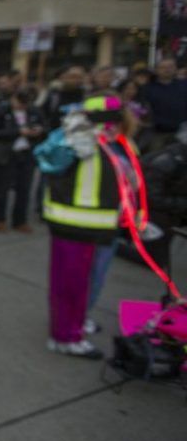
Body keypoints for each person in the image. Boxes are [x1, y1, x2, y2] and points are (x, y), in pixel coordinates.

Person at [38, 96, 143, 359]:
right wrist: (71, 136)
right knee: (69, 283)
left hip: (103, 225)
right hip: (74, 225)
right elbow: (47, 159)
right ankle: (65, 337)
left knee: (90, 281)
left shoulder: (117, 143)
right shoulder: (75, 138)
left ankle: (76, 322)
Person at [0, 89, 45, 233]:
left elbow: (45, 127)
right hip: (6, 154)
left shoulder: (34, 111)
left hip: (26, 154)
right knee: (2, 189)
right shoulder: (1, 110)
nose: (22, 106)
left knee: (24, 189)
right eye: (19, 102)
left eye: (25, 104)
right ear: (13, 99)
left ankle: (20, 220)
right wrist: (18, 131)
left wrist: (38, 130)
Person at [142, 122, 187, 304]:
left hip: (166, 209)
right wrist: (182, 205)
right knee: (153, 259)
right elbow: (152, 197)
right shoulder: (169, 161)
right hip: (153, 212)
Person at [142, 57, 187, 147]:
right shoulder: (148, 88)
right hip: (158, 133)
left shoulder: (184, 85)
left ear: (175, 68)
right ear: (157, 70)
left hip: (183, 132)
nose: (167, 70)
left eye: (170, 67)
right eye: (163, 67)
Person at [41, 66, 86, 132]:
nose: (77, 80)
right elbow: (42, 117)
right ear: (63, 77)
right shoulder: (53, 95)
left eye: (80, 77)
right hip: (55, 138)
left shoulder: (87, 96)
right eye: (73, 77)